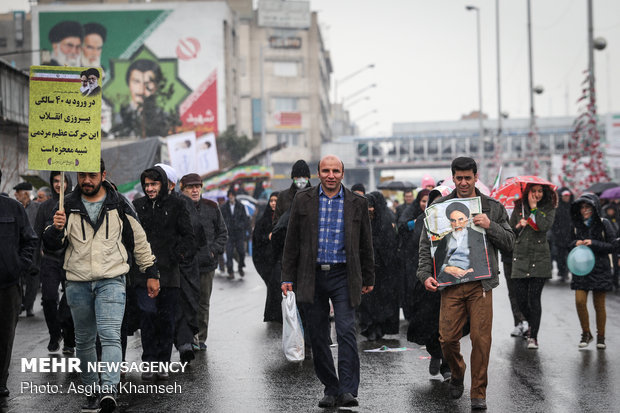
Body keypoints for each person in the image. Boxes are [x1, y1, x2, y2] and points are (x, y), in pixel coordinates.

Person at [42, 159, 160, 412]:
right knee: (84, 341)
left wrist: (150, 271)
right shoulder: (67, 205)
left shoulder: (119, 203)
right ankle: (91, 391)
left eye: (92, 175)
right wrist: (55, 229)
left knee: (110, 337)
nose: (86, 180)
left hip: (112, 280)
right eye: (82, 175)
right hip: (77, 282)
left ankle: (109, 390)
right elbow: (52, 245)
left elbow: (139, 240)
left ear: (103, 175)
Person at [417, 157, 514, 411]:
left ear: (475, 176)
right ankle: (457, 373)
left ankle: (478, 393)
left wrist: (489, 225)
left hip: (480, 285)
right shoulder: (439, 207)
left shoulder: (491, 207)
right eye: (458, 178)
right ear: (453, 178)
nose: (463, 182)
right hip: (450, 284)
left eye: (467, 178)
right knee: (447, 339)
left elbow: (510, 242)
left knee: (482, 341)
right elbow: (426, 245)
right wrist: (425, 273)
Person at [281, 154, 374, 408]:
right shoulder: (304, 199)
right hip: (311, 276)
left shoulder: (357, 202)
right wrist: (287, 277)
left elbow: (366, 244)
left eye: (335, 171)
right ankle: (330, 387)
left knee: (345, 330)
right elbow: (291, 242)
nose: (330, 175)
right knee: (318, 335)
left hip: (344, 275)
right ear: (318, 173)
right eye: (325, 171)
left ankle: (347, 389)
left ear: (342, 174)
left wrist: (369, 276)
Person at [133, 165, 196, 376]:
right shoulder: (137, 206)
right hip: (143, 273)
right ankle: (149, 362)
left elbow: (188, 235)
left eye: (154, 184)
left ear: (162, 184)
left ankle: (163, 363)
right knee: (148, 316)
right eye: (147, 184)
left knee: (166, 319)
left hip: (169, 274)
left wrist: (176, 255)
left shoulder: (177, 204)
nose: (150, 188)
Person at [406, 186, 453, 381]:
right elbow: (418, 249)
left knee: (451, 326)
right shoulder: (422, 222)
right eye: (432, 202)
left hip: (453, 280)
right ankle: (435, 353)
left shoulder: (457, 221)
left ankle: (448, 365)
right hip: (429, 280)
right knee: (431, 323)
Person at [0, 168, 37, 405]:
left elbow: (30, 240)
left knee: (4, 336)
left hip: (7, 285)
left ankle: (0, 381)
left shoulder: (13, 208)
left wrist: (17, 266)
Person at [179, 173, 228, 350]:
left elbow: (222, 233)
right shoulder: (178, 207)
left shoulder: (212, 206)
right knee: (185, 301)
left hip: (206, 264)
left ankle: (200, 337)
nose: (194, 190)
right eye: (190, 187)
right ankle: (187, 338)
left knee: (203, 302)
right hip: (184, 265)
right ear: (182, 189)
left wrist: (213, 251)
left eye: (197, 186)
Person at [509, 184, 557, 349]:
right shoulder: (518, 207)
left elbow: (544, 226)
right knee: (521, 300)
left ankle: (533, 336)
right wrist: (518, 226)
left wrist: (535, 209)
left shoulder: (548, 208)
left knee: (534, 299)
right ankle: (531, 323)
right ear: (527, 192)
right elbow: (509, 233)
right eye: (533, 191)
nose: (537, 194)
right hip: (520, 259)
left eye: (540, 191)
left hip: (539, 259)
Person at [33, 172, 76, 353]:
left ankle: (69, 339)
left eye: (62, 180)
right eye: (55, 181)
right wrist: (33, 262)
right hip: (50, 259)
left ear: (69, 182)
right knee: (49, 298)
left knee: (70, 301)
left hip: (71, 259)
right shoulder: (45, 207)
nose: (59, 184)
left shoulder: (73, 204)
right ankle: (54, 334)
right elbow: (36, 235)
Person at [569, 193, 615, 350]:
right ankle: (586, 333)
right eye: (582, 207)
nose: (584, 210)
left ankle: (601, 337)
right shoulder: (576, 224)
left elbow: (613, 245)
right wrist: (576, 243)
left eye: (587, 207)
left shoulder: (604, 223)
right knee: (580, 301)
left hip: (600, 268)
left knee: (599, 305)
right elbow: (567, 242)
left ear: (594, 207)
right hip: (581, 268)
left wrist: (594, 243)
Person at [358, 191, 399, 341]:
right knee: (368, 302)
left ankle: (379, 327)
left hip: (383, 270)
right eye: (367, 207)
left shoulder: (385, 221)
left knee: (382, 302)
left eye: (372, 206)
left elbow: (390, 245)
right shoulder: (362, 222)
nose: (369, 210)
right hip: (367, 270)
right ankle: (370, 328)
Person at [398, 188, 430, 321]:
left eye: (428, 201)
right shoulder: (410, 211)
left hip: (426, 256)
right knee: (412, 284)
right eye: (423, 201)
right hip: (411, 257)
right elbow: (401, 227)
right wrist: (415, 223)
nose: (425, 204)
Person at [252, 192, 282, 322]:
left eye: (276, 201)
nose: (274, 203)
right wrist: (268, 237)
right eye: (271, 201)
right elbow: (257, 239)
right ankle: (274, 315)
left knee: (277, 287)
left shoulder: (285, 218)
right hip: (266, 260)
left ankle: (278, 315)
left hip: (280, 259)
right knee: (273, 287)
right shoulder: (263, 220)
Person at [13, 182, 40, 316]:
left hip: (34, 248)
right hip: (19, 247)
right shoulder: (16, 208)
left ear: (25, 193)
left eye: (18, 192)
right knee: (19, 278)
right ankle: (21, 304)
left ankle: (28, 305)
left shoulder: (37, 207)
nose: (15, 195)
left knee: (32, 278)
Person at [220, 189, 249, 279]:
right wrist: (226, 226)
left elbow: (245, 219)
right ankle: (230, 271)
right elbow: (221, 219)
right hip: (229, 234)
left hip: (239, 233)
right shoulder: (224, 207)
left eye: (232, 195)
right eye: (229, 195)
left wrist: (240, 226)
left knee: (241, 252)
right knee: (229, 252)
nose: (231, 197)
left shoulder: (241, 206)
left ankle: (240, 267)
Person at [273, 159, 312, 224]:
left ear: (308, 178)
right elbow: (277, 223)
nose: (301, 179)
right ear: (293, 178)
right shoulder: (283, 197)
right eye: (298, 177)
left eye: (304, 177)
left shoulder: (315, 195)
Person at [550, 188, 574, 282]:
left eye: (568, 196)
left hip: (571, 237)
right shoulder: (557, 208)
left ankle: (568, 272)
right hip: (559, 237)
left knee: (570, 256)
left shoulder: (573, 207)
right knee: (560, 256)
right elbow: (554, 223)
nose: (566, 197)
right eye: (564, 196)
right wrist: (557, 233)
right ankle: (562, 272)